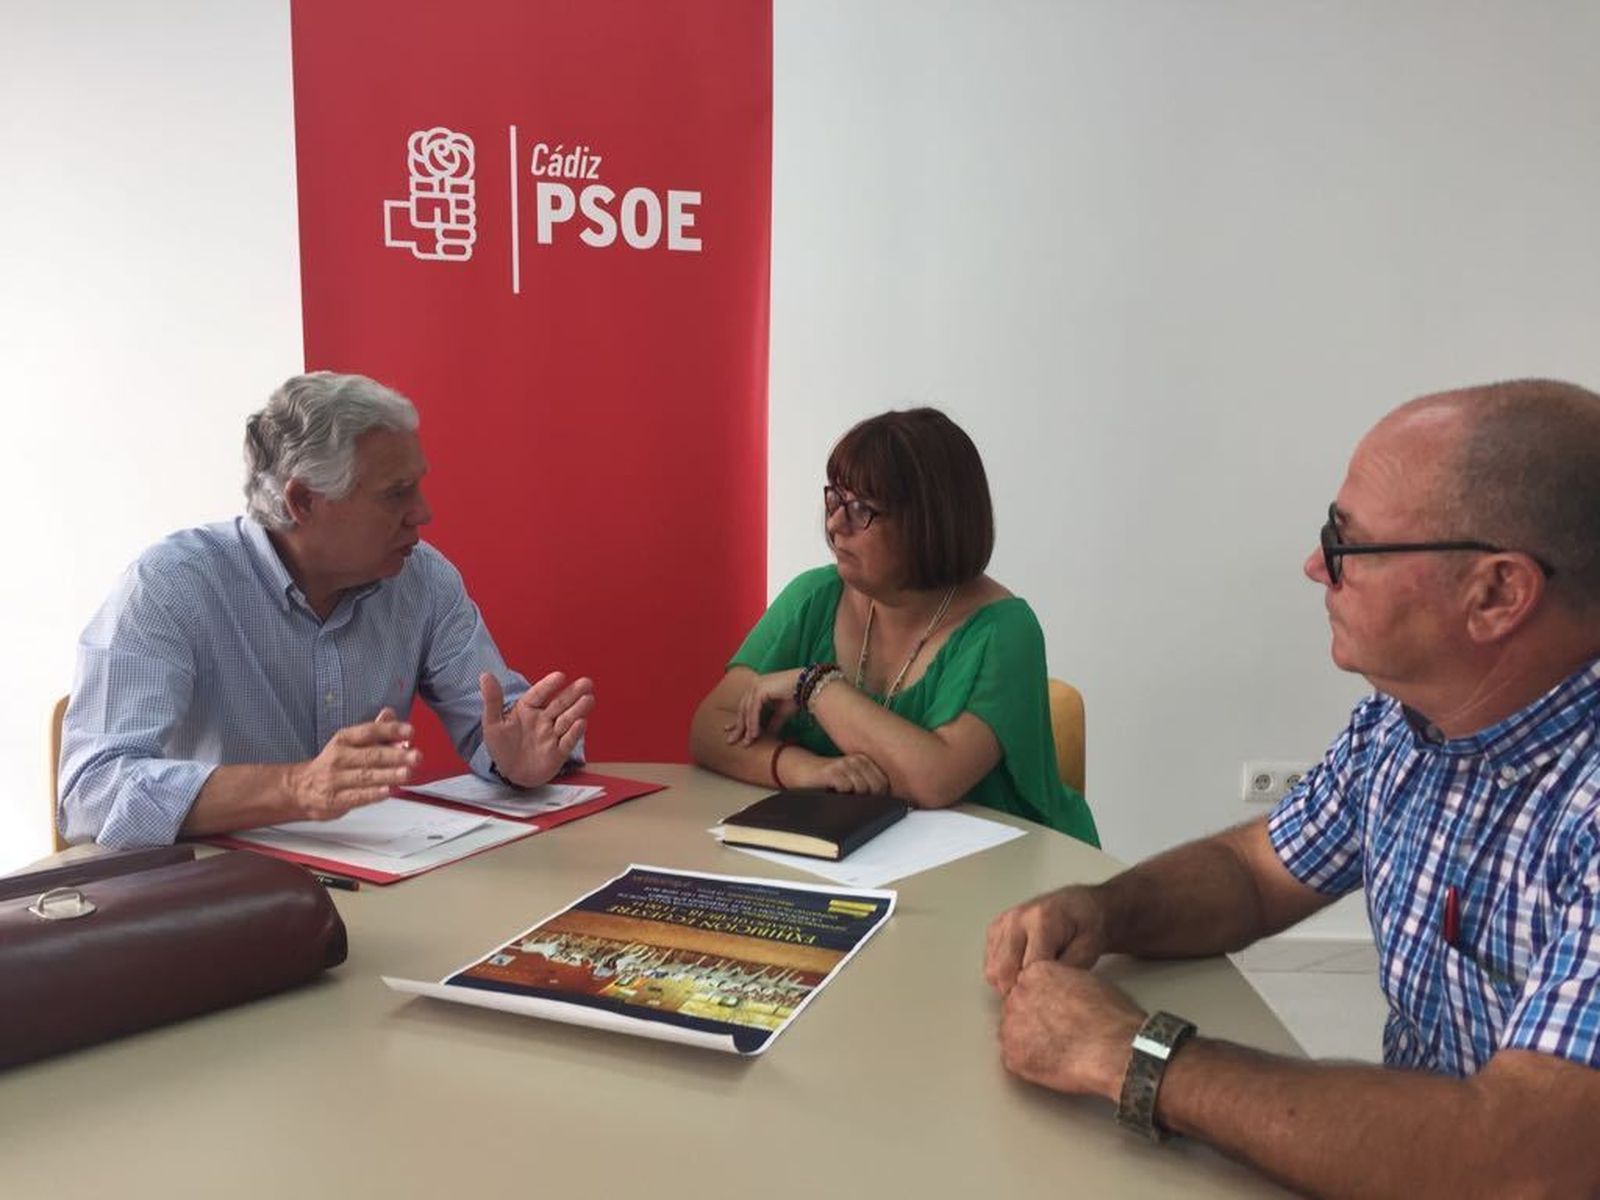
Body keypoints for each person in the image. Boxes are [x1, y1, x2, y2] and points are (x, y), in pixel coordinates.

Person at [984, 380, 1600, 1196]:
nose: (1316, 566)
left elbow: (1526, 1166)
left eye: (1347, 544)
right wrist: (1104, 911)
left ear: (1496, 594)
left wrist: (1136, 1056)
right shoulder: (1404, 725)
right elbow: (1257, 872)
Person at [58, 371, 595, 847]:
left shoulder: (422, 578)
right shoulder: (171, 585)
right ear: (304, 501)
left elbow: (499, 728)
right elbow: (91, 791)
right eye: (396, 493)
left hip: (378, 880)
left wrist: (517, 760)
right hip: (219, 893)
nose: (423, 513)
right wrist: (296, 787)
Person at [690, 407, 1097, 844]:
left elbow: (934, 779)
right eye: (835, 500)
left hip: (1009, 869)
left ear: (929, 522)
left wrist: (814, 685)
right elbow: (710, 728)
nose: (835, 524)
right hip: (861, 862)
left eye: (861, 509)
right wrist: (806, 770)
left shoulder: (1004, 630)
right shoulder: (814, 596)